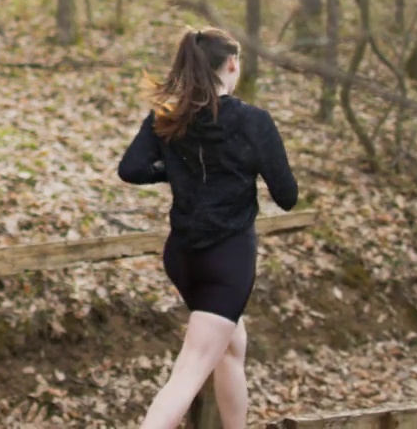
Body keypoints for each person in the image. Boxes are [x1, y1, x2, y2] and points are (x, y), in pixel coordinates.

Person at [118, 27, 298, 429]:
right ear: (232, 64)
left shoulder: (169, 115)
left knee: (232, 350)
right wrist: (237, 167)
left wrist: (179, 170)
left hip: (182, 257)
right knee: (189, 372)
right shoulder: (254, 121)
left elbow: (131, 169)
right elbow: (287, 195)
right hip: (227, 261)